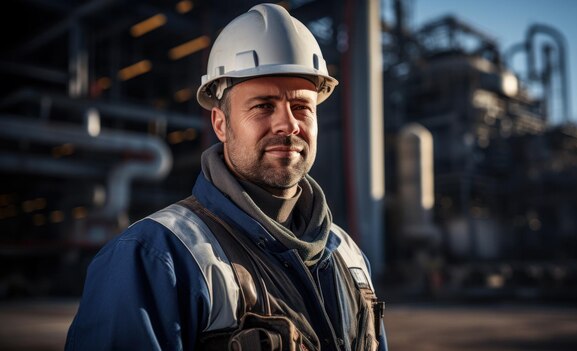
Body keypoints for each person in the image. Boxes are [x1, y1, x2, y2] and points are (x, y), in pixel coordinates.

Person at [65, 3, 386, 350]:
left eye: (301, 107)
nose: (288, 124)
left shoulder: (348, 255)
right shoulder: (156, 258)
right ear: (220, 124)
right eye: (264, 105)